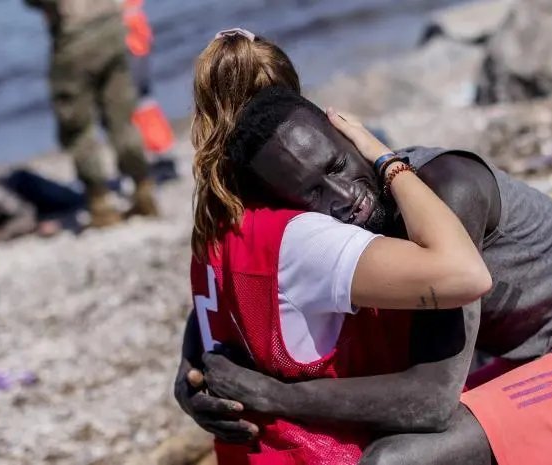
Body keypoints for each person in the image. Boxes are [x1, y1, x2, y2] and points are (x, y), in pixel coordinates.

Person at [176, 31, 552, 465]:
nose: (343, 200)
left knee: (391, 458)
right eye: (311, 194)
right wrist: (195, 373)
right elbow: (229, 289)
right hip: (539, 354)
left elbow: (430, 402)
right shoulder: (331, 215)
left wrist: (277, 398)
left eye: (337, 168)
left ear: (349, 135)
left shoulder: (448, 188)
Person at [186, 30, 491, 464]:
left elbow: (215, 315)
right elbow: (465, 276)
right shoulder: (305, 238)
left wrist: (191, 371)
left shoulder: (215, 226)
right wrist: (389, 163)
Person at [24, 0, 159, 227]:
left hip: (75, 36)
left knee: (77, 126)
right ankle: (142, 187)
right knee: (121, 117)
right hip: (111, 27)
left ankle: (101, 203)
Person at [118, 0, 179, 182]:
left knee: (139, 102)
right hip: (130, 37)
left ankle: (161, 155)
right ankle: (158, 155)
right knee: (140, 101)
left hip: (128, 39)